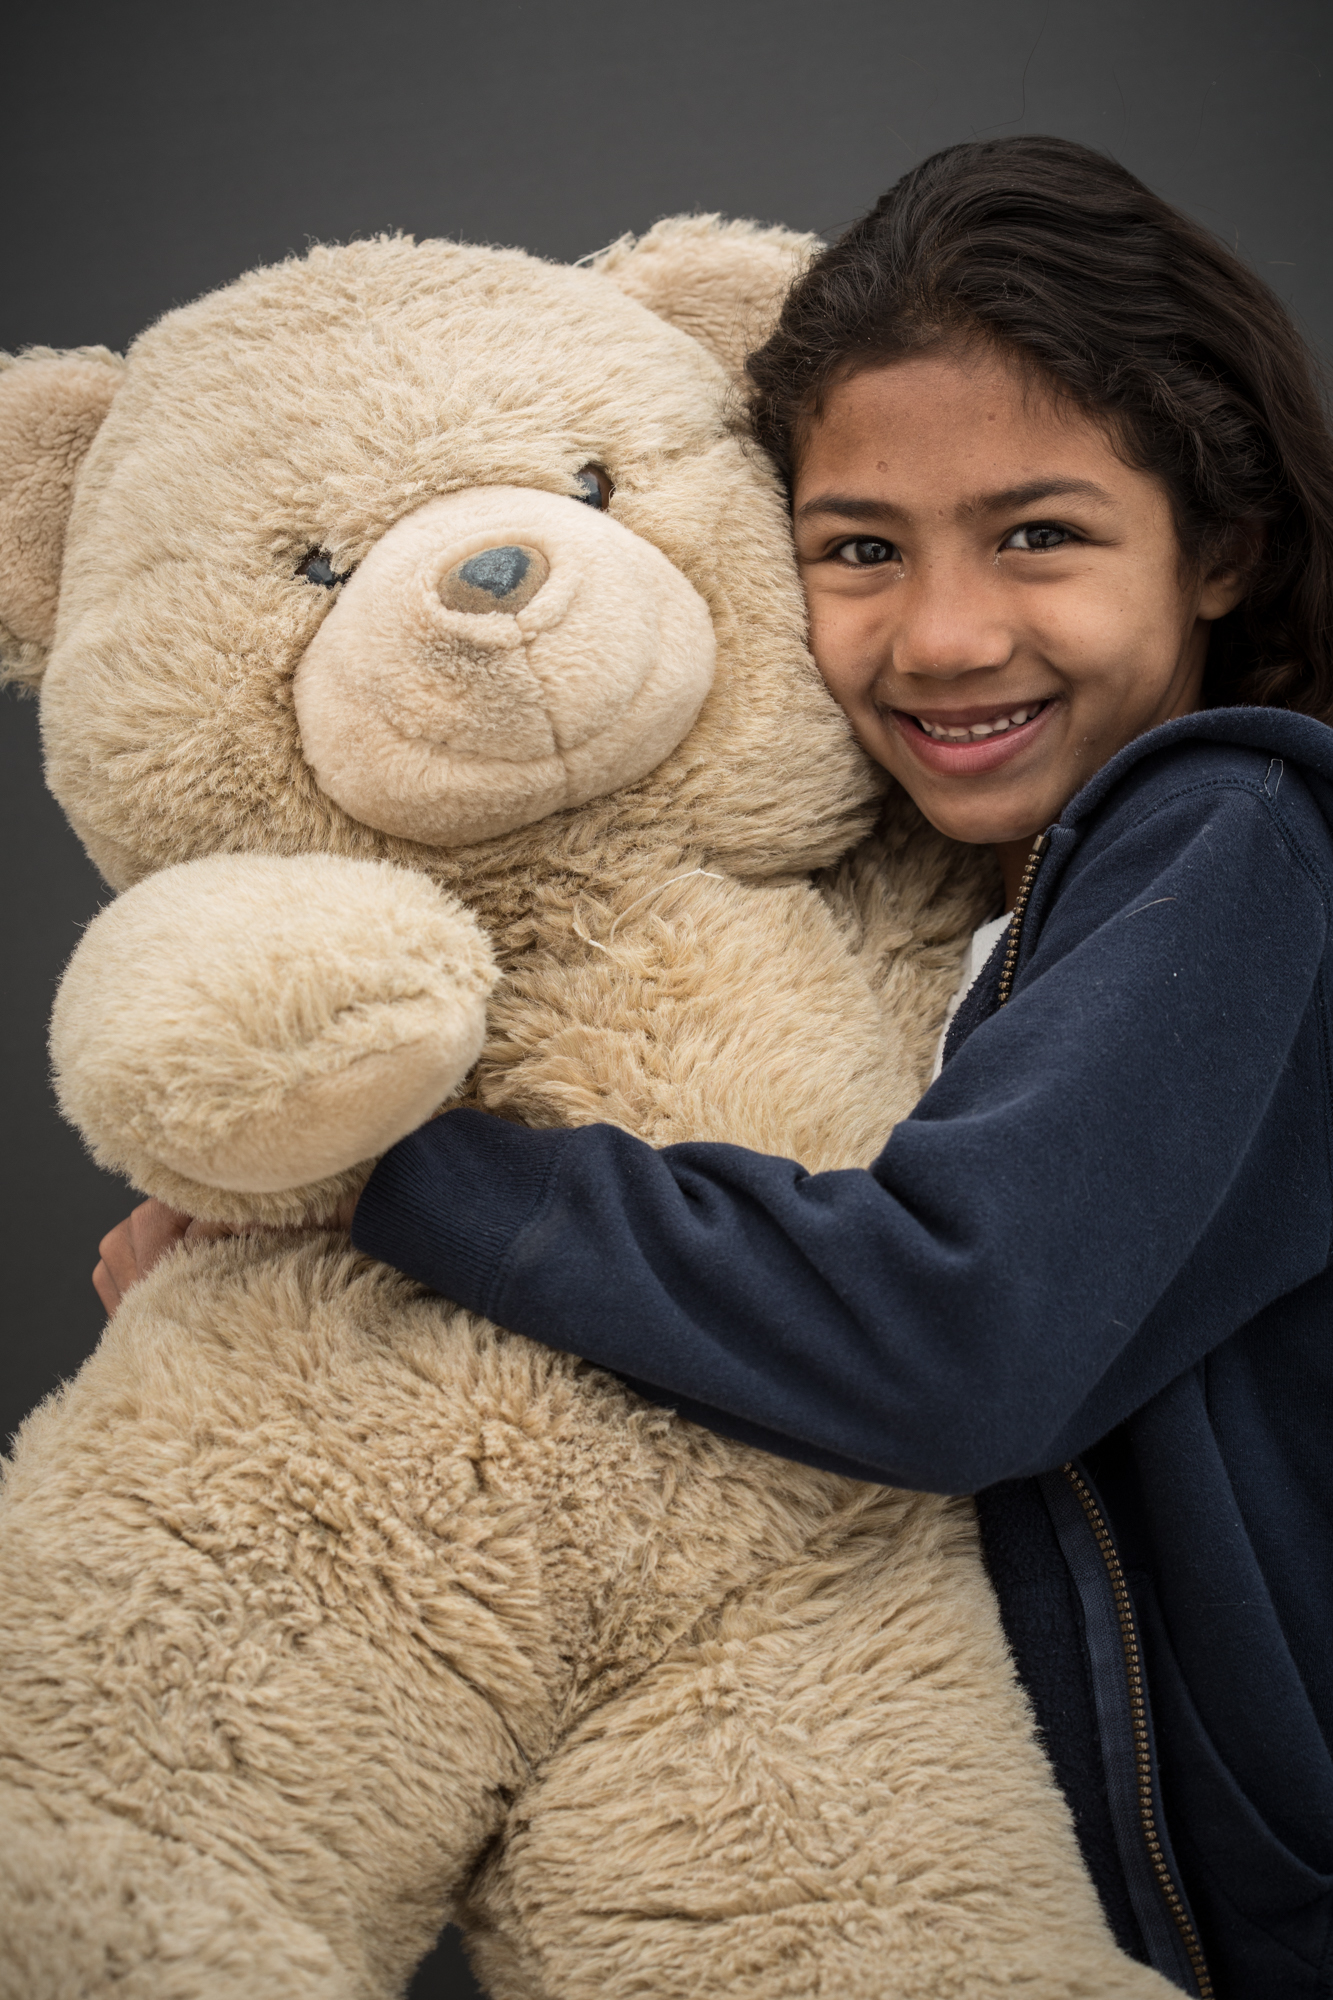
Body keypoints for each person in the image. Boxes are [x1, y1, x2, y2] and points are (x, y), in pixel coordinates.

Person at [94, 139, 1333, 1997]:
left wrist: (379, 1178)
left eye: (1040, 534)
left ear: (1220, 545)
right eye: (856, 549)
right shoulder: (938, 889)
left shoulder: (1243, 842)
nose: (940, 636)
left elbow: (953, 1333)